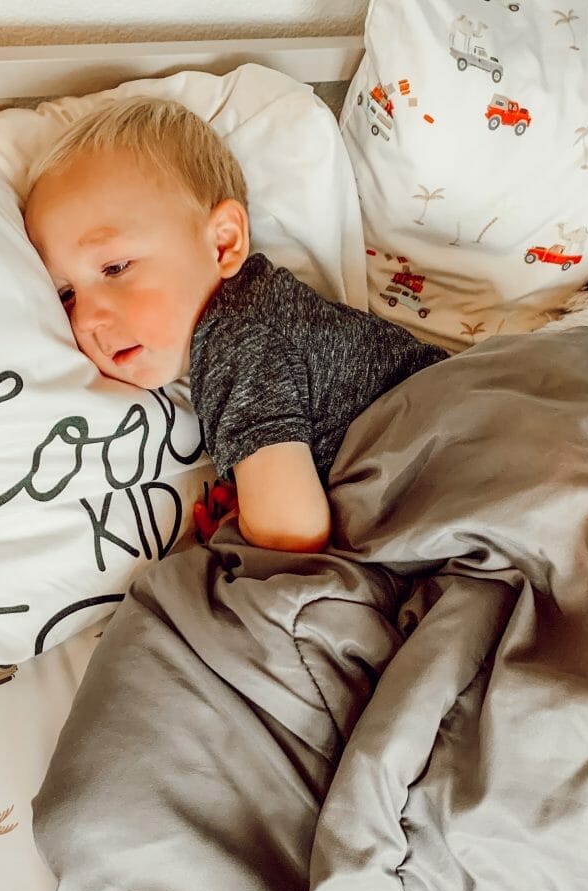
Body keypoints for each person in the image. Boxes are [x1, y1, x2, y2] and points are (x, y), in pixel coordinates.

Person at [24, 96, 449, 553]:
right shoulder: (258, 310)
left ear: (224, 244)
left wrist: (242, 538)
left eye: (116, 268)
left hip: (449, 449)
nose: (86, 319)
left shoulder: (235, 339)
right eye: (66, 295)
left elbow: (291, 538)